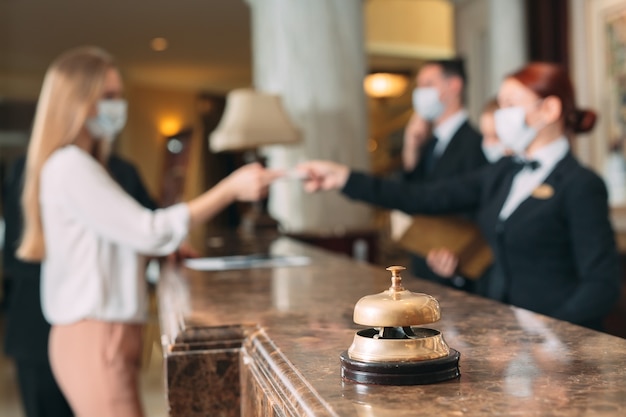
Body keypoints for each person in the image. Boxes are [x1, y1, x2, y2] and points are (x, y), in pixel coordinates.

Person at [15, 46, 281, 417]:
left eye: (118, 96)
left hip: (102, 332)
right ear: (78, 101)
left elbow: (123, 240)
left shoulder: (84, 165)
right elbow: (148, 229)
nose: (117, 106)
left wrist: (161, 248)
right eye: (107, 96)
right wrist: (229, 189)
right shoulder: (70, 166)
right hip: (94, 333)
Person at [298, 62, 621, 332]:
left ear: (549, 109)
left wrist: (554, 337)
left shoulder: (581, 184)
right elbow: (422, 197)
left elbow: (601, 283)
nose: (501, 115)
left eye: (510, 105)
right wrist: (344, 178)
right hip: (504, 336)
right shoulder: (504, 172)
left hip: (556, 345)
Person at [2, 153, 158, 417]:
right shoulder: (31, 169)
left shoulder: (121, 171)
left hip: (98, 328)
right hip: (38, 329)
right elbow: (15, 255)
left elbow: (152, 229)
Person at [400, 58, 487, 290]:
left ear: (454, 86)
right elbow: (411, 196)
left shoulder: (475, 144)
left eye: (428, 84)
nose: (421, 92)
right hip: (423, 261)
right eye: (419, 85)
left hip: (455, 269)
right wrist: (410, 146)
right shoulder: (428, 144)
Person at [426, 98, 506, 279]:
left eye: (496, 136)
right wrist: (457, 271)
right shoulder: (486, 177)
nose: (487, 145)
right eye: (485, 135)